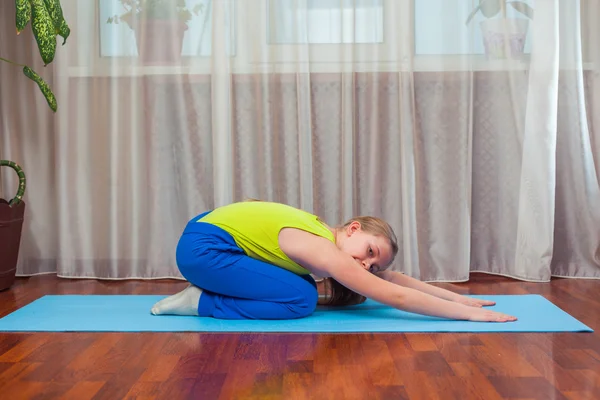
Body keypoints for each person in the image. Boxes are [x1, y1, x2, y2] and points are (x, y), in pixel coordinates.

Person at [151, 200, 517, 322]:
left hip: (205, 237)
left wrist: (458, 298)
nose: (366, 266)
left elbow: (392, 281)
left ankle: (205, 292)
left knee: (300, 289)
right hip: (204, 249)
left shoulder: (326, 237)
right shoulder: (326, 249)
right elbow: (396, 298)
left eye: (372, 265)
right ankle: (200, 301)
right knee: (300, 298)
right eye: (370, 252)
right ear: (353, 229)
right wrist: (471, 316)